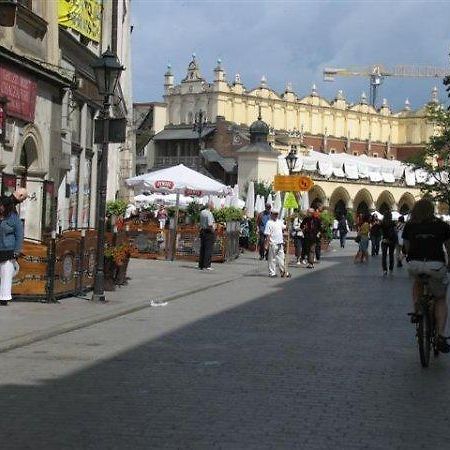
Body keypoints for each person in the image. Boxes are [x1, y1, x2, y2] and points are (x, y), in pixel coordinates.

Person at [402, 199, 450, 353]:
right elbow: (449, 248)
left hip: (415, 264)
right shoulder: (442, 226)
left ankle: (417, 310)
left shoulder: (409, 226)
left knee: (417, 282)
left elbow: (406, 248)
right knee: (440, 298)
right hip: (435, 265)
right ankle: (441, 335)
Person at [0, 199, 24, 305]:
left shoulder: (14, 218)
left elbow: (19, 235)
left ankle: (4, 297)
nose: (0, 207)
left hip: (8, 250)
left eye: (1, 205)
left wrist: (17, 251)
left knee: (6, 273)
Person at [264, 209, 290, 278]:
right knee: (272, 259)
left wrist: (289, 221)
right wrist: (267, 244)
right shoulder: (269, 222)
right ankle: (272, 273)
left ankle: (284, 272)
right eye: (274, 214)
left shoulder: (279, 222)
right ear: (271, 214)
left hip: (280, 243)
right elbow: (268, 234)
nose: (276, 215)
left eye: (277, 214)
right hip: (273, 243)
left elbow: (285, 228)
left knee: (282, 258)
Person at [198, 202, 215, 271]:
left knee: (203, 248)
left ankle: (201, 264)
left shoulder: (202, 212)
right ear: (210, 206)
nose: (214, 206)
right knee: (208, 248)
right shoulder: (209, 213)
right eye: (213, 205)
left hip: (202, 231)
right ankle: (207, 265)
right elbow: (210, 224)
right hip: (208, 231)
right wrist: (213, 230)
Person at [380, 211, 397, 275]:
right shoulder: (393, 223)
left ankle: (384, 270)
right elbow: (395, 231)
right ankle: (391, 268)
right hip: (392, 241)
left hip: (384, 240)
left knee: (384, 256)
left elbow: (380, 231)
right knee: (391, 255)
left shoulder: (382, 223)